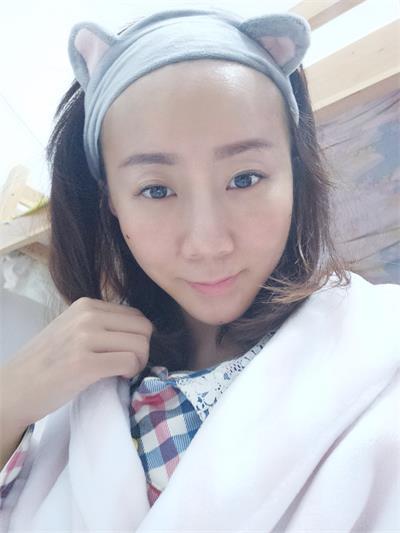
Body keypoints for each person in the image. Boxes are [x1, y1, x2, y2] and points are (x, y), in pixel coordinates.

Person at [0, 5, 399, 532]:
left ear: (294, 174)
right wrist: (9, 399)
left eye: (245, 178)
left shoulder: (382, 344)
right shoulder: (69, 389)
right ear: (111, 201)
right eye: (156, 190)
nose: (208, 243)